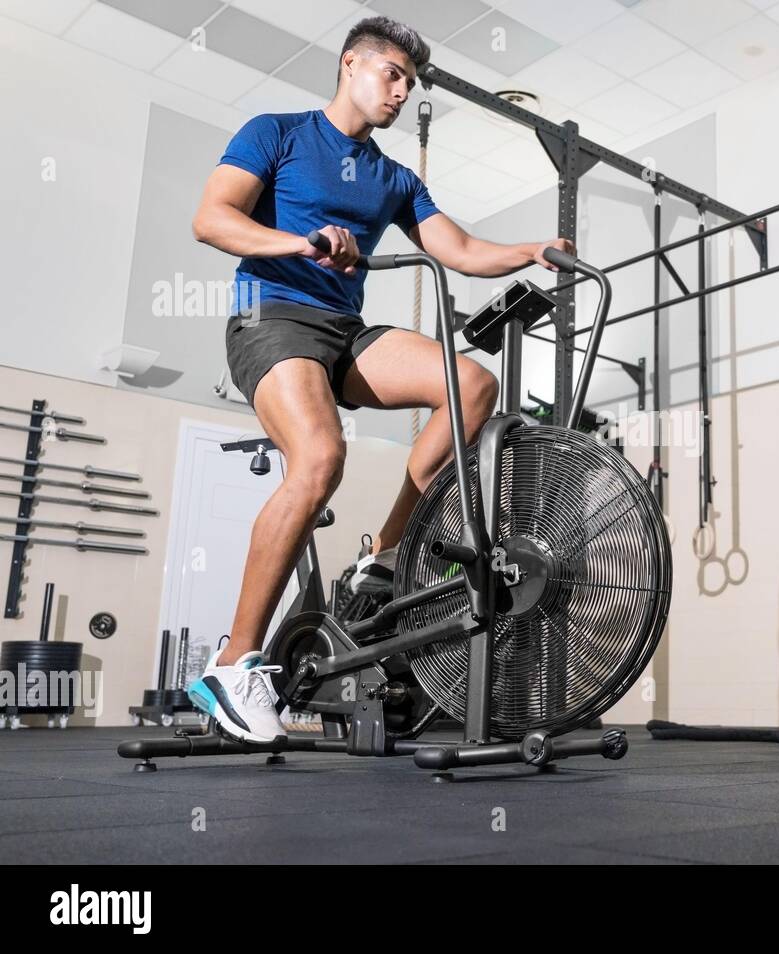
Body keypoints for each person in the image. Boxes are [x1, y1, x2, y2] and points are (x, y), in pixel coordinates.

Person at [186, 16, 573, 742]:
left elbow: (455, 248)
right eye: (391, 74)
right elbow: (211, 219)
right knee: (321, 459)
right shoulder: (278, 132)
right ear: (350, 66)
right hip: (270, 314)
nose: (401, 91)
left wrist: (530, 249)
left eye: (409, 81)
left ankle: (387, 553)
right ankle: (233, 665)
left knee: (472, 384)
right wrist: (300, 241)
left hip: (342, 331)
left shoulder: (394, 177)